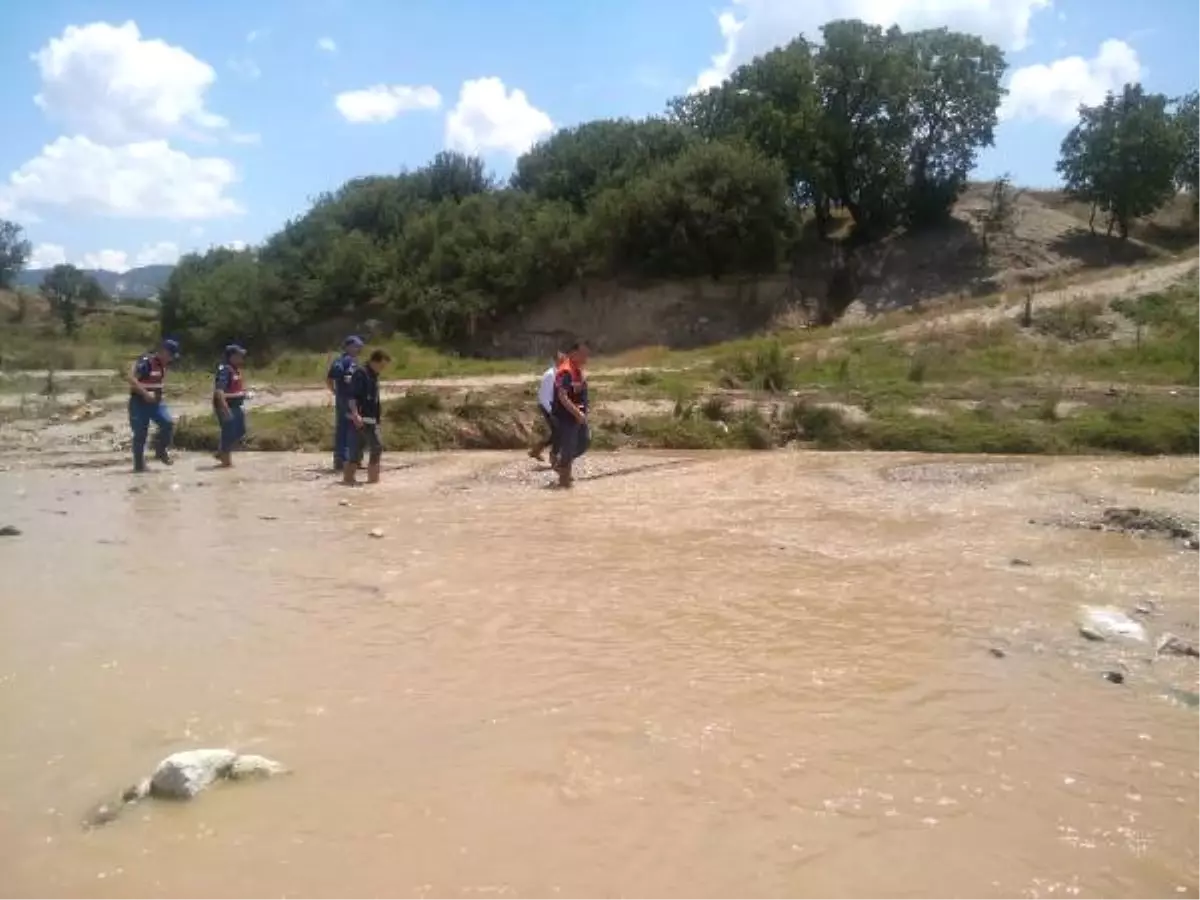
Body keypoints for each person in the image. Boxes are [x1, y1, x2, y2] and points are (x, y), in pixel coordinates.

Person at [126, 338, 180, 473]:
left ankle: (160, 450)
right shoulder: (146, 362)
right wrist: (145, 393)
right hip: (139, 402)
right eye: (171, 355)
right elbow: (131, 378)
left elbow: (156, 383)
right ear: (163, 351)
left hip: (156, 404)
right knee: (140, 434)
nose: (172, 359)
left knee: (168, 423)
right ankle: (139, 466)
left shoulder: (163, 365)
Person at [343, 349, 391, 487]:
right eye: (381, 366)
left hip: (368, 418)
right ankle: (373, 482)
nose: (382, 369)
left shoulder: (373, 374)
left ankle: (348, 480)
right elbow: (352, 396)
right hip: (361, 418)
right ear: (373, 361)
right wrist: (355, 414)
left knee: (357, 451)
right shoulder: (361, 373)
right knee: (376, 447)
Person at [551, 340, 590, 489]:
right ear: (574, 354)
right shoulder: (565, 370)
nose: (586, 357)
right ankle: (564, 484)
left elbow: (580, 393)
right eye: (583, 354)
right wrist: (577, 413)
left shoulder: (578, 370)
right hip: (566, 417)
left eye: (587, 354)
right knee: (569, 447)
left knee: (584, 441)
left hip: (577, 415)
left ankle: (561, 463)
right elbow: (562, 396)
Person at [326, 335, 364, 472]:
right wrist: (336, 392)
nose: (358, 349)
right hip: (346, 400)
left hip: (355, 399)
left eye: (359, 346)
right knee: (345, 428)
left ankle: (353, 459)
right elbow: (330, 378)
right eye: (355, 346)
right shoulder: (341, 361)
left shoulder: (355, 361)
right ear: (348, 346)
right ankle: (342, 461)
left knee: (355, 428)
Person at [213, 344, 248, 468]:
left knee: (240, 431)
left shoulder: (235, 369)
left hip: (237, 406)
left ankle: (222, 451)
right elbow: (219, 391)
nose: (242, 358)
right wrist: (225, 408)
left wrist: (245, 394)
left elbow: (236, 389)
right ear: (232, 356)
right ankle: (226, 462)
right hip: (226, 406)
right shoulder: (224, 370)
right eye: (240, 355)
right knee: (228, 432)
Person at [528, 351, 565, 466]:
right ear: (557, 360)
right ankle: (553, 457)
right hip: (547, 405)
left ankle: (537, 450)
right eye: (562, 358)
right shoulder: (550, 375)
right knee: (559, 431)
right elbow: (544, 397)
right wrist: (551, 413)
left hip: (555, 406)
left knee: (558, 432)